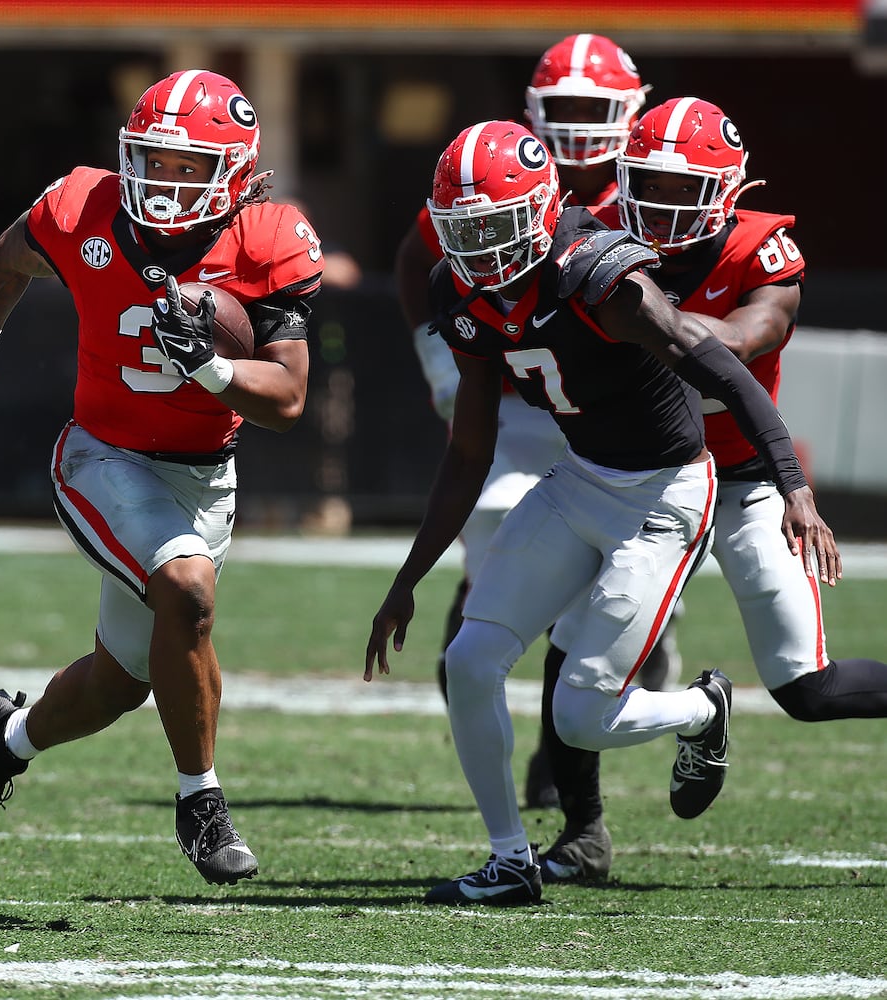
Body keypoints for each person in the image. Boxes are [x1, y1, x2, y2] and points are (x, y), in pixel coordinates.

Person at [364, 119, 838, 907]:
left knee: (581, 715)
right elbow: (468, 448)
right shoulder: (462, 291)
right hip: (581, 478)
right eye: (463, 230)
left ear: (542, 210)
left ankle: (701, 707)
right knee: (469, 661)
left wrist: (792, 485)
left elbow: (722, 369)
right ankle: (508, 860)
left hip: (663, 496)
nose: (478, 247)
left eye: (494, 226)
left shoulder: (598, 277)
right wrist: (407, 577)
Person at [0, 69, 322, 885]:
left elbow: (288, 397)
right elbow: (8, 260)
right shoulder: (83, 204)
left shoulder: (268, 235)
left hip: (202, 475)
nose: (165, 180)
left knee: (119, 683)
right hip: (100, 457)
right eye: (153, 159)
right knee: (185, 592)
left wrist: (214, 371)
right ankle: (200, 802)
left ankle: (5, 741)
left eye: (190, 167)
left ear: (237, 171)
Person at [537, 97, 887, 884]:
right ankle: (581, 833)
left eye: (681, 187)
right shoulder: (589, 229)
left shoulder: (760, 256)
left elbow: (729, 343)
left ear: (728, 193)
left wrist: (630, 306)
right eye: (646, 183)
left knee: (807, 687)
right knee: (567, 651)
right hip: (645, 481)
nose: (658, 207)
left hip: (741, 480)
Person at [394, 33, 677, 813]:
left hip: (623, 418)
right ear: (531, 113)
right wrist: (439, 360)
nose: (582, 125)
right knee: (497, 541)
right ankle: (487, 615)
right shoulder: (494, 170)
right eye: (567, 109)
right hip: (520, 404)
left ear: (633, 109)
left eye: (597, 109)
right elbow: (412, 258)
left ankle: (591, 730)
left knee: (612, 592)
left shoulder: (652, 180)